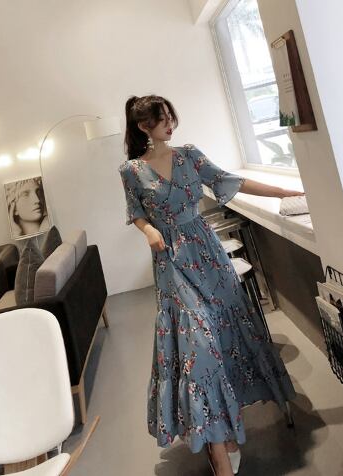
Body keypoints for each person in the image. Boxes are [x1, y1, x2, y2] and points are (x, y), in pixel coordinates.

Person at [118, 95, 301, 476]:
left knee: (224, 339)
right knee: (199, 348)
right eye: (162, 119)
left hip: (209, 256)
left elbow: (230, 181)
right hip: (172, 264)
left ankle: (224, 433)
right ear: (143, 126)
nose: (170, 124)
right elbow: (135, 212)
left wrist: (286, 192)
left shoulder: (189, 156)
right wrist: (149, 229)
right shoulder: (132, 171)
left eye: (171, 116)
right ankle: (219, 451)